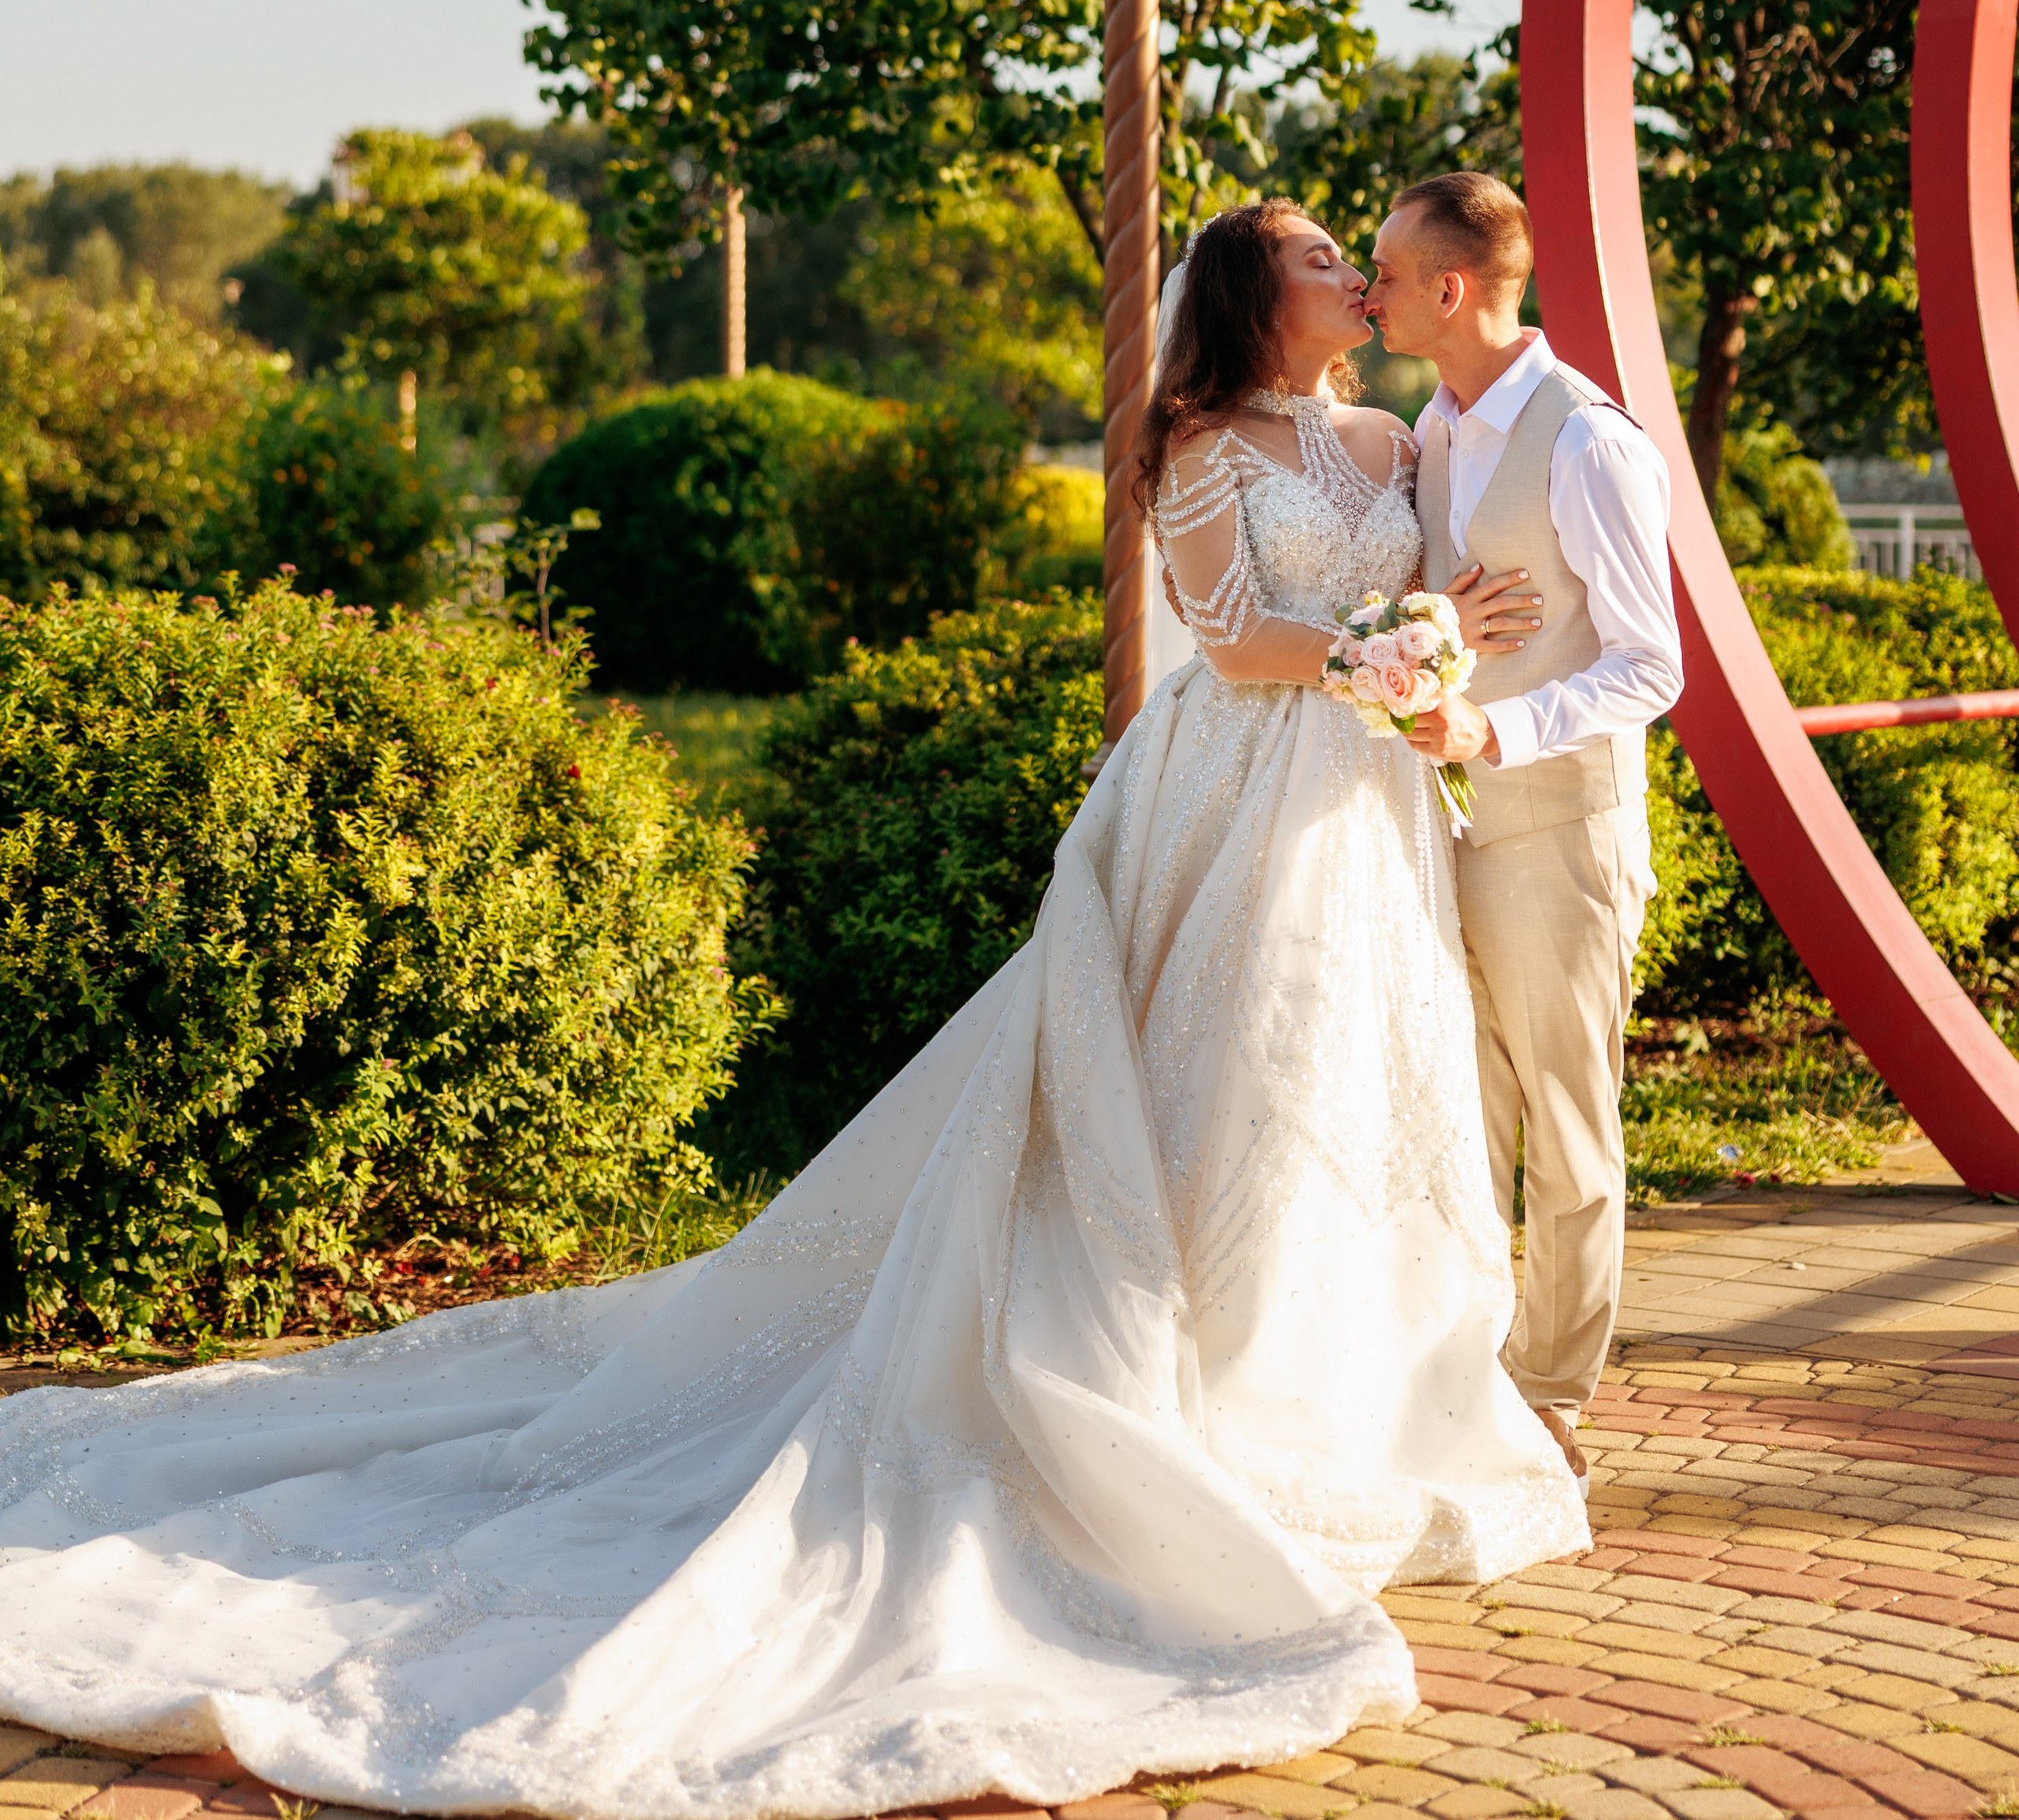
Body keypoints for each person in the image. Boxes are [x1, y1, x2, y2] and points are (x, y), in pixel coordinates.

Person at [0, 197, 1584, 1820]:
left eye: (1352, 255)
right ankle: (1192, 1405)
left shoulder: (1390, 439)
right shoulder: (1194, 443)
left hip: (1366, 815)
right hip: (1231, 795)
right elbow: (1237, 639)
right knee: (1222, 1093)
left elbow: (1455, 571)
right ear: (1260, 299)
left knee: (1344, 1097)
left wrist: (1449, 643)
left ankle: (1338, 1394)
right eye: (1321, 257)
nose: (1347, 273)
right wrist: (1405, 645)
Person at [1364, 172, 1684, 1488]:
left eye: (1383, 273)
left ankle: (1551, 1398)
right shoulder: (1431, 431)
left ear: (1451, 290)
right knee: (1468, 1113)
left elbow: (1651, 665)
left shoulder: (1590, 442)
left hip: (1560, 828)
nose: (1368, 293)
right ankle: (1472, 1376)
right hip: (1452, 831)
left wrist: (1501, 732)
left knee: (1567, 1125)